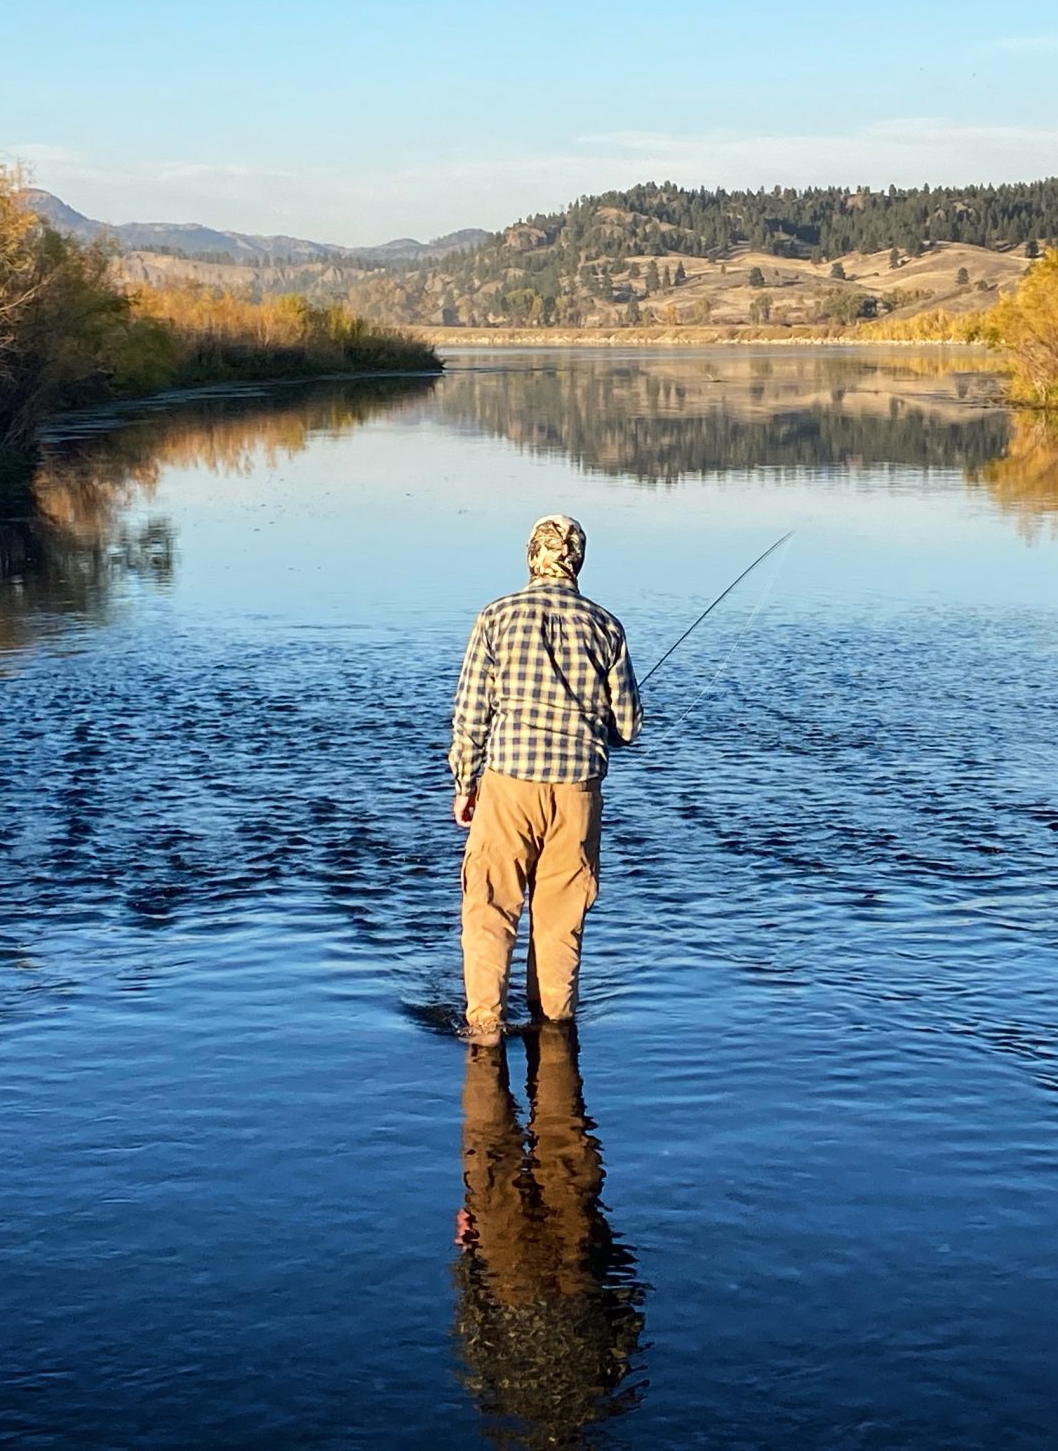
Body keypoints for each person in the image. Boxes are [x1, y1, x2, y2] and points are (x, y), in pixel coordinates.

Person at [448, 514, 642, 1044]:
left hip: (507, 785)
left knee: (490, 907)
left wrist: (465, 785)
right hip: (577, 793)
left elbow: (471, 714)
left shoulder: (497, 616)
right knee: (561, 921)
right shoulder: (606, 626)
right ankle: (555, 1030)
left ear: (531, 554)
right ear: (578, 560)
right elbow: (627, 726)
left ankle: (485, 1026)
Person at [452, 1028, 646, 1438]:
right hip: (545, 1269)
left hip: (537, 1268)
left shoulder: (518, 1406)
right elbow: (628, 1318)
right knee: (550, 1134)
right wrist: (468, 1258)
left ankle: (501, 1049)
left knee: (510, 1140)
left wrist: (468, 1260)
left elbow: (628, 1315)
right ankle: (541, 1042)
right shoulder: (512, 1408)